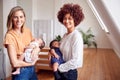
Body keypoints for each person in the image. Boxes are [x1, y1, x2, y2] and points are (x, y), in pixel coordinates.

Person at [4, 6, 42, 80]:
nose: (19, 20)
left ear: (24, 18)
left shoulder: (27, 31)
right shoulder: (9, 36)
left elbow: (37, 44)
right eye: (15, 17)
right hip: (21, 72)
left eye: (21, 17)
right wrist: (31, 63)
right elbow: (14, 63)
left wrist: (37, 48)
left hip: (32, 70)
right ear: (11, 18)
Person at [57, 3, 84, 80]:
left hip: (69, 73)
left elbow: (77, 61)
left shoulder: (76, 36)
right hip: (61, 71)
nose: (66, 21)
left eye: (70, 18)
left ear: (75, 20)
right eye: (65, 18)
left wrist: (59, 67)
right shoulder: (65, 35)